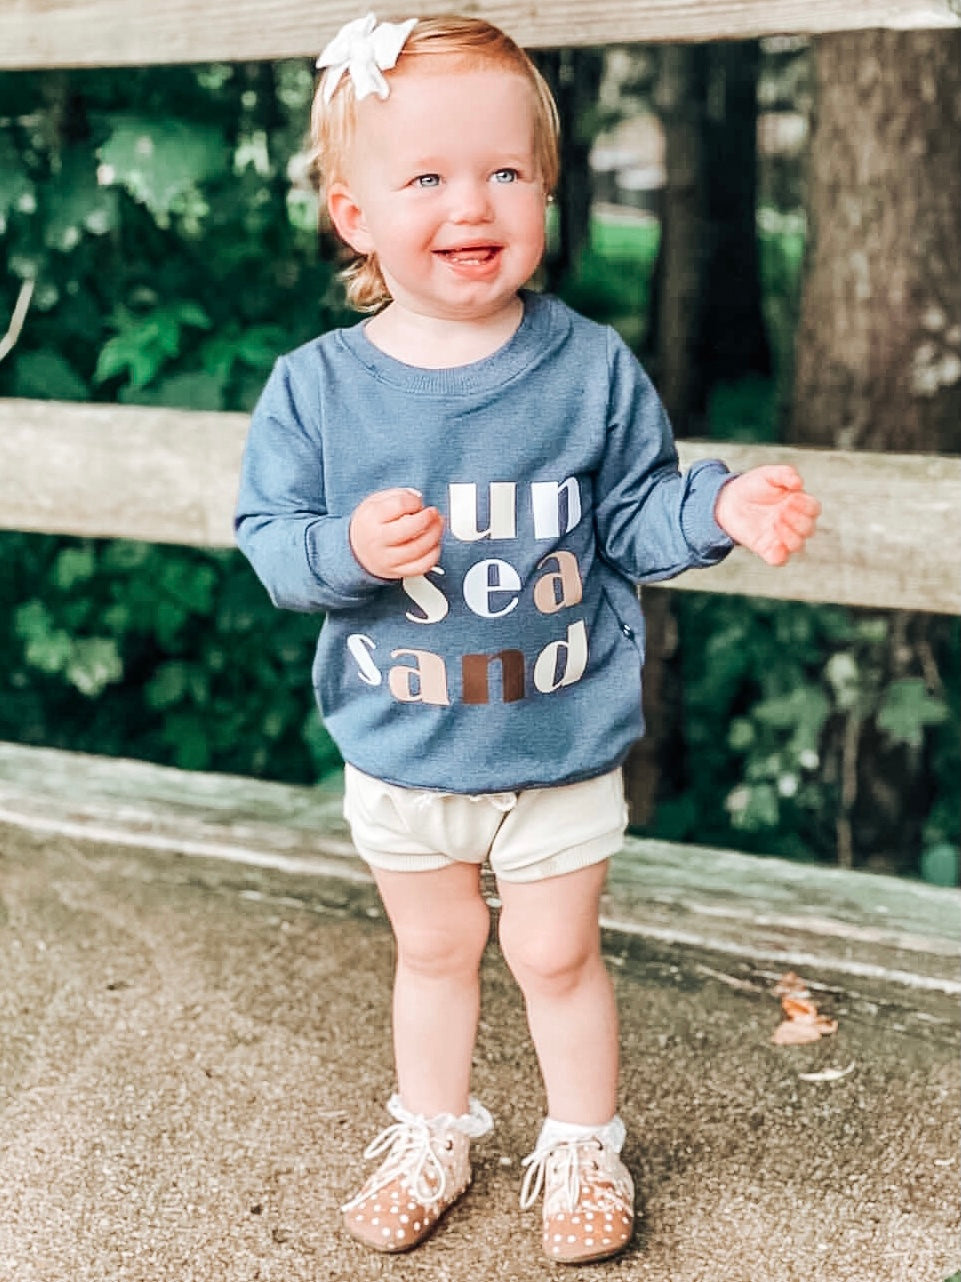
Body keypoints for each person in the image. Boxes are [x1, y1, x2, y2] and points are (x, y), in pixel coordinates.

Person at [235, 12, 820, 1265]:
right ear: (355, 214)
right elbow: (271, 541)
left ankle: (582, 1141)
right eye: (428, 177)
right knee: (434, 950)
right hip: (400, 740)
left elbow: (634, 515)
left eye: (506, 172)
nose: (472, 203)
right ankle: (434, 1129)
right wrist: (346, 550)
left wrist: (715, 504)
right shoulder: (319, 387)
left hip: (556, 734)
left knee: (555, 954)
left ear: (548, 192)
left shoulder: (589, 369)